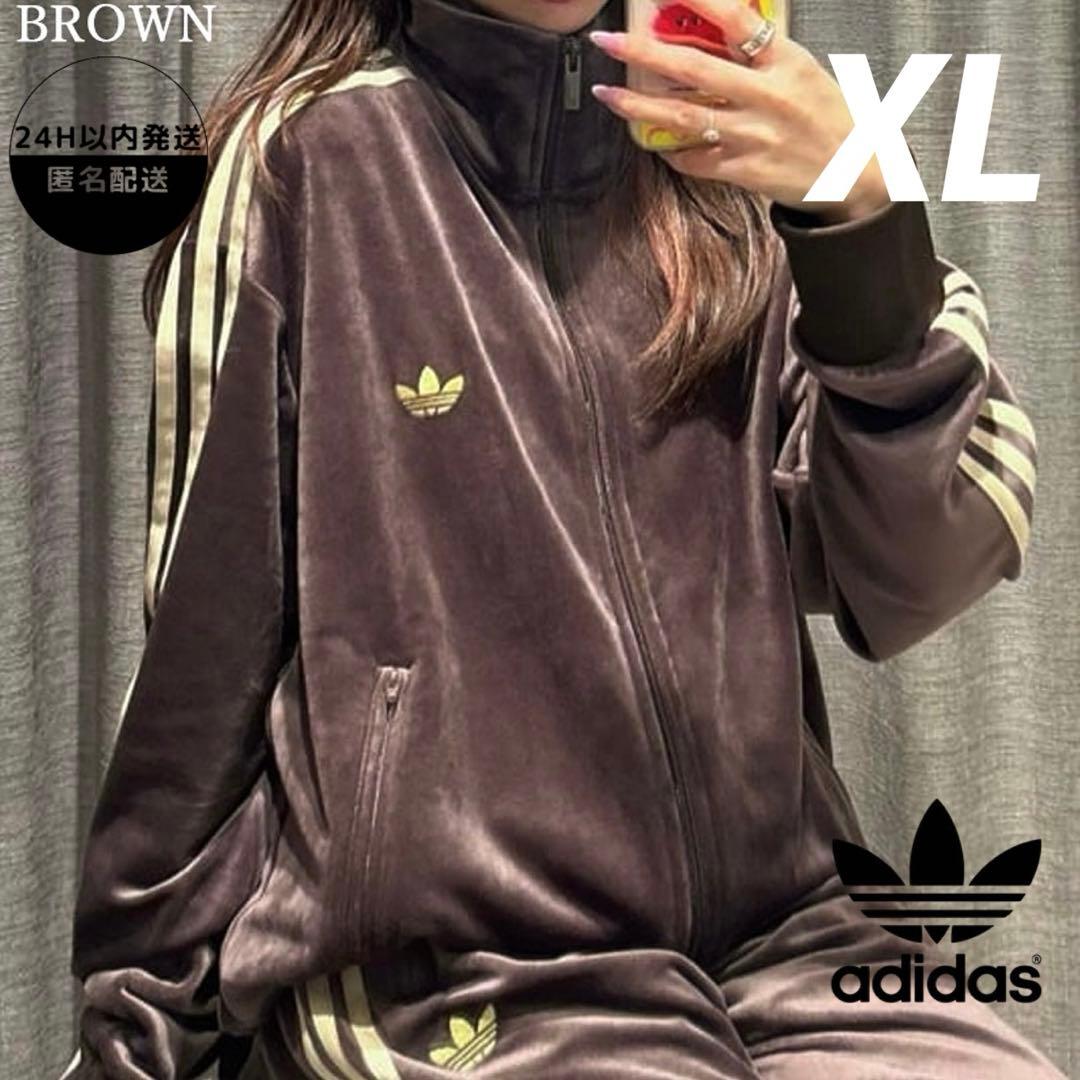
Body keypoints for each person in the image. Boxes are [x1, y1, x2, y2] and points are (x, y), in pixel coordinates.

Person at [62, 0, 1060, 1075]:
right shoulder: (305, 165)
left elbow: (915, 574)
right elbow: (197, 678)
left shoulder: (730, 140)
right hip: (456, 981)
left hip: (795, 938)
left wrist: (857, 212)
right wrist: (140, 1037)